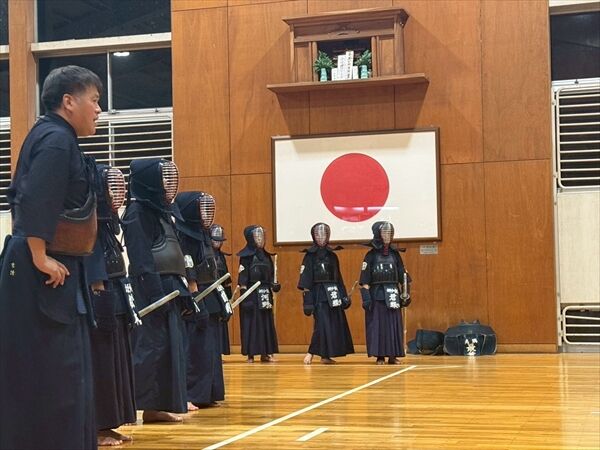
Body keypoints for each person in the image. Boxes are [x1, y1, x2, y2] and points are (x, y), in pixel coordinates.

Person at [0, 65, 101, 450]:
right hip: (43, 272)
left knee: (58, 373)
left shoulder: (54, 136)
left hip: (52, 265)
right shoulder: (56, 140)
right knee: (56, 375)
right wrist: (40, 255)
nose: (98, 110)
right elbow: (34, 197)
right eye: (94, 100)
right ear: (68, 101)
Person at [121, 157, 190, 422]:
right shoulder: (136, 212)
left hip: (170, 286)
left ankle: (159, 406)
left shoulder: (162, 213)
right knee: (151, 347)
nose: (166, 185)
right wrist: (155, 293)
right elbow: (141, 259)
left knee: (170, 348)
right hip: (149, 288)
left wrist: (183, 291)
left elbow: (174, 255)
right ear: (149, 180)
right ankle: (145, 405)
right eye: (161, 178)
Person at [85, 165, 137, 446]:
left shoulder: (107, 229)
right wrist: (100, 298)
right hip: (102, 301)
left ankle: (110, 424)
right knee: (102, 365)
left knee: (116, 364)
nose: (117, 194)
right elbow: (93, 266)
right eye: (110, 188)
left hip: (117, 298)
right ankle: (97, 427)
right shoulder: (89, 226)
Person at [174, 192, 230, 409]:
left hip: (211, 292)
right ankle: (190, 394)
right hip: (197, 294)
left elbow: (212, 269)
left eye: (208, 210)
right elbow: (189, 269)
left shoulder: (204, 235)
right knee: (195, 348)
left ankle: (209, 392)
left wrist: (222, 300)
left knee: (211, 349)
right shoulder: (184, 236)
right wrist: (195, 299)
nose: (206, 215)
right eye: (202, 210)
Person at [298, 223, 354, 365]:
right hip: (318, 294)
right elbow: (305, 280)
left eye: (324, 234)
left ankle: (325, 355)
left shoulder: (332, 256)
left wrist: (343, 296)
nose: (321, 237)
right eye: (318, 234)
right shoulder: (309, 256)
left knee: (332, 325)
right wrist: (307, 301)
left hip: (333, 294)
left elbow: (338, 278)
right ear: (313, 236)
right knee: (321, 325)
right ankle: (310, 352)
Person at [359, 221, 411, 365]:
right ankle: (380, 356)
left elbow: (403, 277)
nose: (387, 236)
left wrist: (406, 294)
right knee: (378, 326)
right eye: (384, 233)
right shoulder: (370, 256)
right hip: (377, 296)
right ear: (378, 234)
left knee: (393, 326)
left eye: (389, 233)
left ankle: (393, 356)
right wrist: (366, 299)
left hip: (393, 294)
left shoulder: (395, 255)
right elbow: (364, 281)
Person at [236, 225, 280, 363]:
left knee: (265, 323)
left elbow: (272, 275)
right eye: (257, 236)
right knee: (252, 324)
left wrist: (274, 285)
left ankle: (266, 353)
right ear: (251, 238)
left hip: (265, 294)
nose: (260, 239)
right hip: (251, 294)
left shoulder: (267, 257)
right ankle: (250, 354)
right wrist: (244, 297)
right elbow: (242, 279)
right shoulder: (245, 258)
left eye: (262, 236)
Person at [210, 223, 232, 356]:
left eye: (220, 241)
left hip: (221, 292)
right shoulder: (206, 253)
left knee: (222, 320)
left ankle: (220, 350)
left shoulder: (221, 256)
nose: (217, 243)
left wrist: (228, 296)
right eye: (215, 240)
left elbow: (226, 277)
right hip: (210, 292)